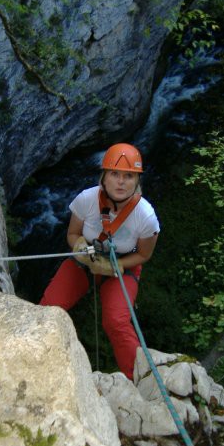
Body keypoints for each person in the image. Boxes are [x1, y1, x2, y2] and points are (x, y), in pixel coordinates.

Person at [40, 143, 160, 380]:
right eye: (115, 174)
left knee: (116, 322)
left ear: (137, 181)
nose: (121, 181)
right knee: (49, 308)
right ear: (104, 177)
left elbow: (144, 255)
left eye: (128, 176)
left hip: (121, 267)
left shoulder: (145, 216)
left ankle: (138, 379)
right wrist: (79, 247)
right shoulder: (86, 199)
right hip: (86, 261)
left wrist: (117, 265)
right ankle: (37, 358)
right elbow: (72, 234)